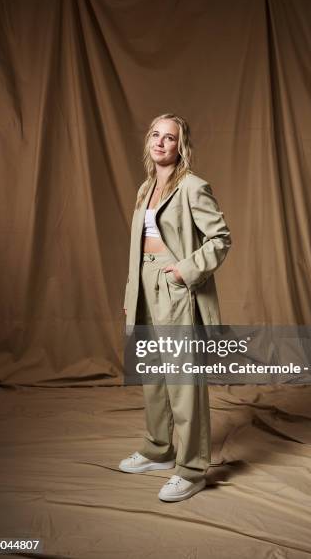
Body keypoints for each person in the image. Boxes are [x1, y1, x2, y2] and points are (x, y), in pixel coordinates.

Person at [119, 113, 231, 501]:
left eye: (170, 137)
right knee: (152, 374)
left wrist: (184, 272)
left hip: (175, 285)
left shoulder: (193, 187)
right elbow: (136, 249)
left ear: (180, 146)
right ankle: (158, 450)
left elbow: (220, 239)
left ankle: (193, 468)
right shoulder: (145, 188)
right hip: (144, 287)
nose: (161, 142)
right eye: (155, 134)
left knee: (184, 381)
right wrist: (131, 294)